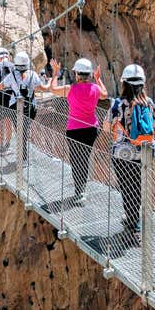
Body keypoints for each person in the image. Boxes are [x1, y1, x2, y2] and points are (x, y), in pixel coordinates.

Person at [104, 64, 155, 233]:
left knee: (126, 187)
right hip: (144, 151)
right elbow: (152, 125)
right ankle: (135, 220)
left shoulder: (118, 104)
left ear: (124, 84)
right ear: (143, 84)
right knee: (137, 185)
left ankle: (132, 220)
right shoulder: (149, 103)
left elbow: (106, 127)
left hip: (122, 153)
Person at [49, 57, 108, 204]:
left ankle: (79, 191)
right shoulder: (95, 88)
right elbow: (105, 95)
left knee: (76, 160)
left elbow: (52, 89)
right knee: (85, 158)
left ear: (76, 74)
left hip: (74, 129)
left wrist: (55, 73)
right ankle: (82, 189)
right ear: (89, 75)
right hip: (92, 129)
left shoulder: (70, 89)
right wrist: (98, 79)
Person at [0, 51, 48, 160]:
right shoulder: (33, 74)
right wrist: (54, 77)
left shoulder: (12, 76)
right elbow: (44, 88)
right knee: (24, 131)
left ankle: (22, 156)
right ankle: (23, 155)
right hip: (31, 109)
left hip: (15, 108)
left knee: (20, 132)